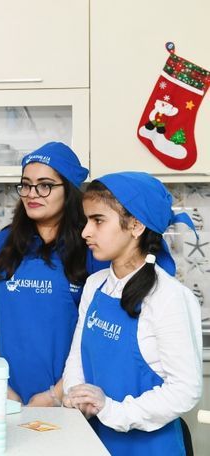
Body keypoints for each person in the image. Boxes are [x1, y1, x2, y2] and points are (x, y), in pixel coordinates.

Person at [63, 172, 202, 456]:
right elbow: (77, 357)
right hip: (94, 441)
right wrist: (76, 395)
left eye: (98, 220)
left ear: (136, 225)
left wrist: (112, 410)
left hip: (151, 448)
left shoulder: (168, 296)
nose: (85, 232)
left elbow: (185, 389)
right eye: (87, 220)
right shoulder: (95, 285)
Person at [0, 142, 108, 406]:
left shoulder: (91, 247)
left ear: (69, 189)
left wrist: (56, 395)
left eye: (45, 185)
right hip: (8, 397)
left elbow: (100, 336)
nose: (32, 194)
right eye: (26, 185)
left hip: (71, 398)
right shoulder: (1, 245)